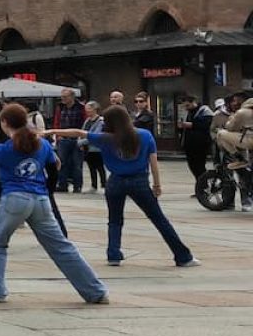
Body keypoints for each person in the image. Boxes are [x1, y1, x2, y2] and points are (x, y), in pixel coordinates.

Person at [0, 103, 107, 304]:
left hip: (14, 199)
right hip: (41, 199)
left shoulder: (6, 148)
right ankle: (95, 291)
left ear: (4, 122)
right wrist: (48, 191)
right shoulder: (42, 144)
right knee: (61, 246)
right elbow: (54, 169)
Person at [46, 107, 195, 268]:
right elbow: (153, 162)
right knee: (158, 219)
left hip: (115, 181)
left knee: (114, 220)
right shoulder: (145, 135)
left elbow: (78, 133)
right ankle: (182, 256)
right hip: (139, 181)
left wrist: (52, 131)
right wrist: (157, 184)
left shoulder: (106, 138)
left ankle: (113, 254)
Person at [52, 89, 89, 193]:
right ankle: (62, 184)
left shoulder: (81, 107)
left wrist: (83, 139)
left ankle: (77, 186)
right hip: (63, 139)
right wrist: (58, 135)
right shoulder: (60, 107)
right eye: (62, 96)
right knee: (62, 163)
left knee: (77, 164)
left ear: (72, 97)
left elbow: (85, 123)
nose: (63, 99)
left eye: (65, 96)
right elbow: (57, 121)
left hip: (77, 139)